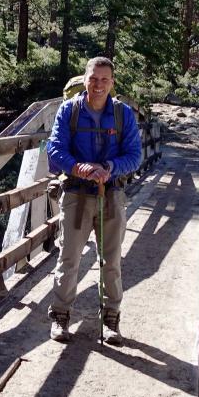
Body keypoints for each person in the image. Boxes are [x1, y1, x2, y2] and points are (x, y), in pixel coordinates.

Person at [45, 56, 142, 344]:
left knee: (111, 261)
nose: (98, 85)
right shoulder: (69, 111)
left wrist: (110, 168)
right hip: (76, 194)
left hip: (111, 194)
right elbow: (54, 149)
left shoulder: (123, 114)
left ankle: (111, 320)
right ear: (85, 79)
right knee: (69, 258)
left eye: (104, 80)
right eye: (93, 78)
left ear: (112, 83)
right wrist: (79, 168)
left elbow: (134, 155)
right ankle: (61, 318)